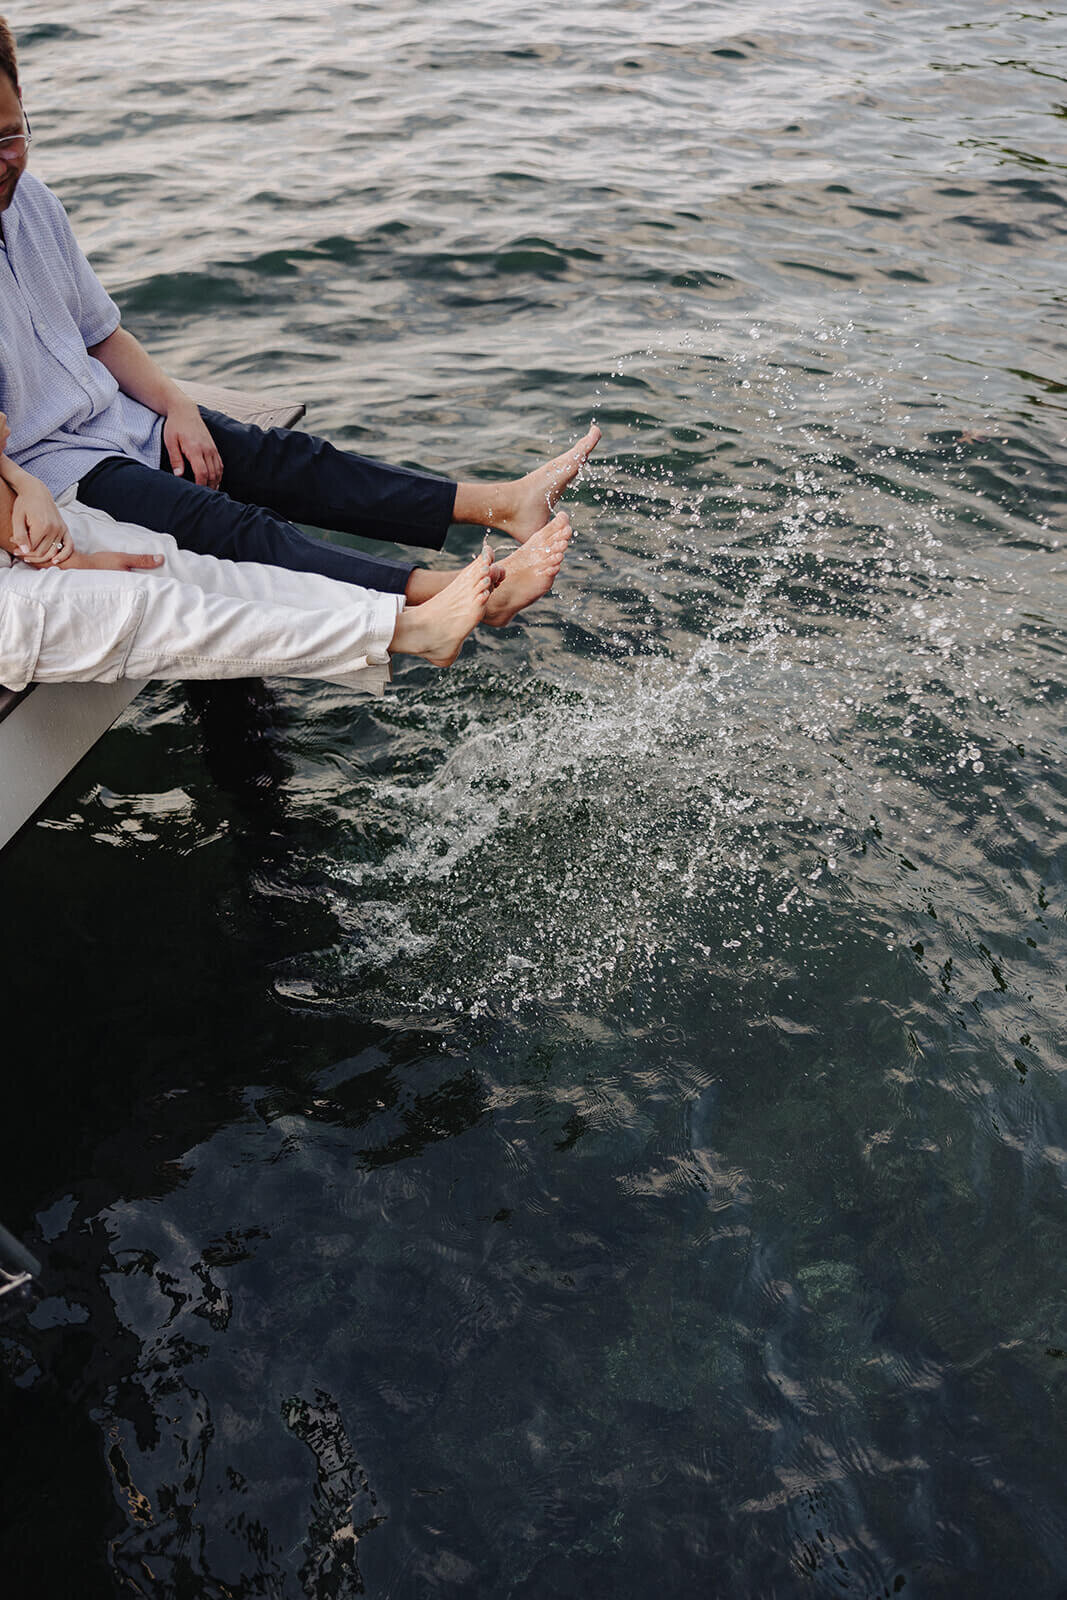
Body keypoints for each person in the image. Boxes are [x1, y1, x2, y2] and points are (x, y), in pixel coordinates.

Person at [0, 15, 599, 624]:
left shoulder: (35, 204)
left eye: (8, 137)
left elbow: (101, 335)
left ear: (23, 103)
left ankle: (503, 503)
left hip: (115, 418)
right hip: (53, 474)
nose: (1, 162)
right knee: (234, 527)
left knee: (284, 457)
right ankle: (444, 593)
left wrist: (177, 407)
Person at [0, 409, 576, 693]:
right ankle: (412, 630)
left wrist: (24, 487)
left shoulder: (32, 213)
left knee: (203, 571)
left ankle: (433, 597)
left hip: (30, 503)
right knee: (156, 605)